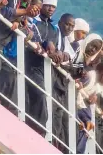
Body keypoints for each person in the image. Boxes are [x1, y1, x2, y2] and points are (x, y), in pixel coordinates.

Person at [0, 0, 43, 114]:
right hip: (6, 51)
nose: (36, 10)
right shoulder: (19, 12)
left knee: (15, 82)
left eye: (39, 9)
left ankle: (9, 109)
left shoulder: (32, 23)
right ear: (29, 5)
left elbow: (36, 38)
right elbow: (7, 15)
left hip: (17, 58)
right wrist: (18, 21)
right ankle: (0, 103)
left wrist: (37, 43)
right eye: (35, 6)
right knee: (7, 77)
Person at [24, 0, 59, 137]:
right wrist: (45, 44)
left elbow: (55, 48)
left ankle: (38, 129)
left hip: (44, 68)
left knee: (43, 97)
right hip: (30, 63)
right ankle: (39, 130)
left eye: (53, 7)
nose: (51, 9)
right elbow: (34, 36)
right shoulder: (34, 20)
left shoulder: (54, 29)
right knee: (39, 94)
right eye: (48, 5)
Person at [52, 13, 76, 153]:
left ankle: (57, 145)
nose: (69, 28)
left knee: (59, 115)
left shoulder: (65, 41)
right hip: (53, 80)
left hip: (60, 85)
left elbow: (72, 61)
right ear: (60, 22)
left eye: (72, 26)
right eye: (67, 24)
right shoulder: (55, 32)